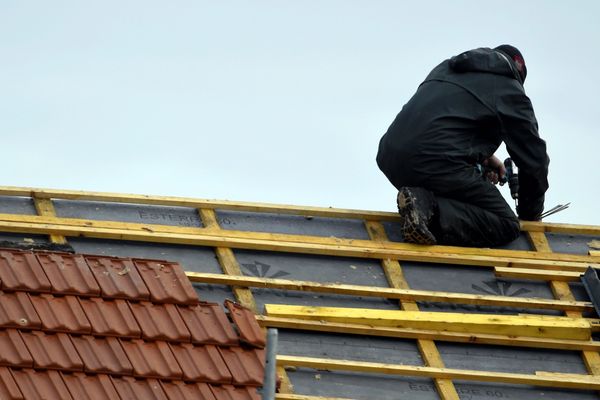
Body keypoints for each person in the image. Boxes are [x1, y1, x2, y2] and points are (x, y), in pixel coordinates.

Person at [376, 45, 549, 247]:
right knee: (505, 223)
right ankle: (426, 207)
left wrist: (482, 157)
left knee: (463, 203)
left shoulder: (446, 68)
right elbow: (534, 160)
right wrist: (530, 213)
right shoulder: (509, 89)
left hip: (390, 156)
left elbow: (442, 121)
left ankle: (421, 205)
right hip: (433, 161)